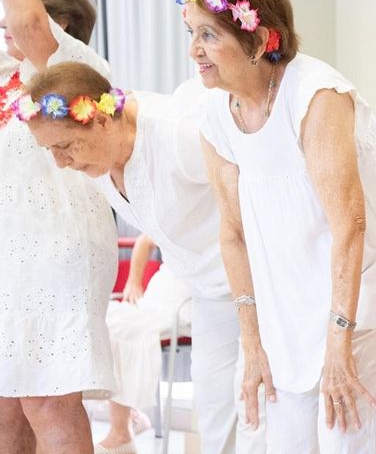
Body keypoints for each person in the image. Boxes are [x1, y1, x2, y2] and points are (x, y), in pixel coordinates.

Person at [185, 0, 376, 451]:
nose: (194, 51)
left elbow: (350, 224)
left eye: (207, 34)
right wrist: (252, 340)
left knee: (350, 442)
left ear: (259, 37)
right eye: (191, 33)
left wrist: (339, 342)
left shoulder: (316, 94)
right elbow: (233, 234)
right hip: (287, 312)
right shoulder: (214, 117)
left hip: (364, 302)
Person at [21, 61, 266, 454]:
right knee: (216, 409)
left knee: (260, 411)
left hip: (259, 283)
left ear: (100, 119)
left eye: (64, 146)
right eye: (50, 150)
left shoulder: (176, 132)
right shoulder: (97, 161)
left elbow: (258, 206)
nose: (60, 163)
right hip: (205, 291)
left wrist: (256, 327)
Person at [0, 0, 117, 453]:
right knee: (8, 402)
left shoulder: (76, 67)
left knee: (49, 401)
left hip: (57, 249)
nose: (7, 24)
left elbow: (28, 23)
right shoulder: (12, 80)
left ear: (60, 24)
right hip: (15, 255)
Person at [95, 234, 192, 453]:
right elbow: (144, 241)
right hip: (157, 295)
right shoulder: (175, 213)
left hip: (186, 302)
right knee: (105, 321)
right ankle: (128, 419)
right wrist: (133, 282)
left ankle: (122, 432)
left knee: (125, 330)